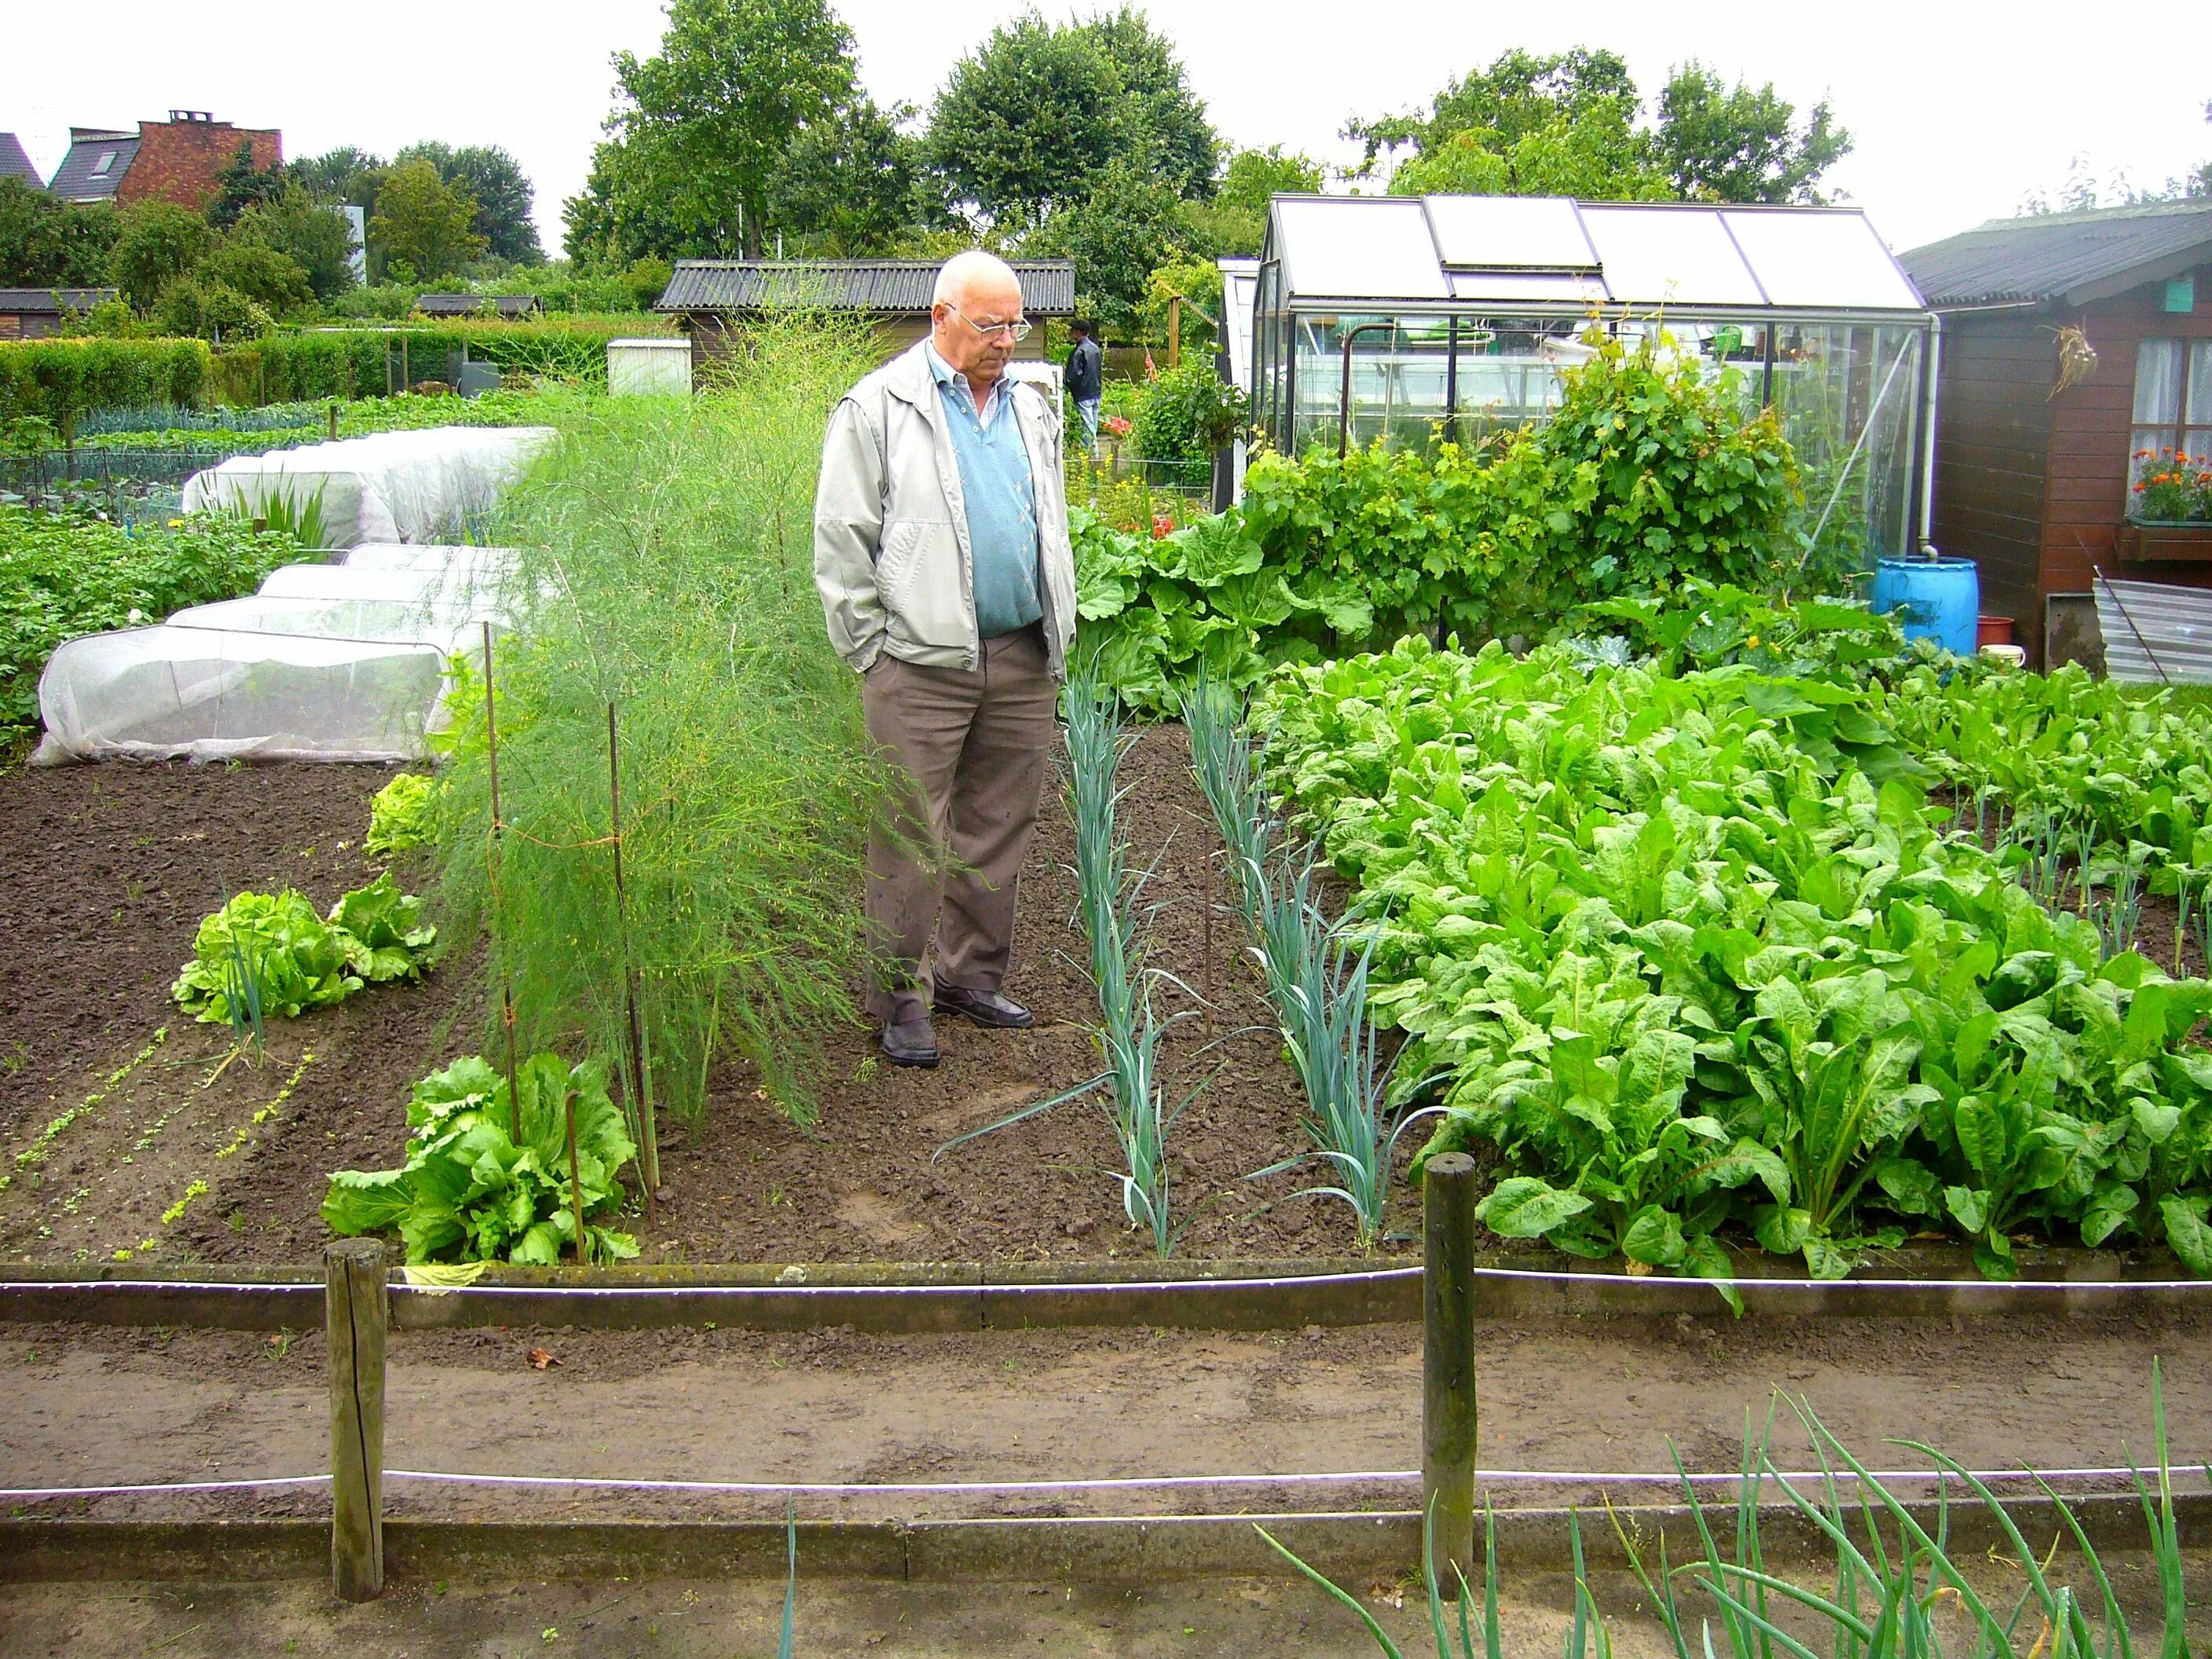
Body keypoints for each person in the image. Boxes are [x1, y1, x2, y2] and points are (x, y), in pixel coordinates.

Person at [814, 251, 1077, 1069]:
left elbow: (1045, 516)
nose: (1006, 340)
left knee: (999, 824)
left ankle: (970, 977)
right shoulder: (878, 406)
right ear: (940, 317)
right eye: (989, 324)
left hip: (1019, 650)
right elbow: (841, 536)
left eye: (1015, 323)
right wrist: (872, 652)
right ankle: (900, 999)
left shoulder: (1031, 408)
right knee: (907, 834)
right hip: (918, 664)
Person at [1064, 319, 1104, 455]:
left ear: (1078, 332)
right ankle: (1094, 456)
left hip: (1083, 394)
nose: (1070, 333)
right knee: (1093, 426)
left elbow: (1072, 376)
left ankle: (1092, 457)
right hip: (1096, 392)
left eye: (1072, 330)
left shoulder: (1078, 352)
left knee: (1087, 427)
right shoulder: (1095, 349)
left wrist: (1067, 385)